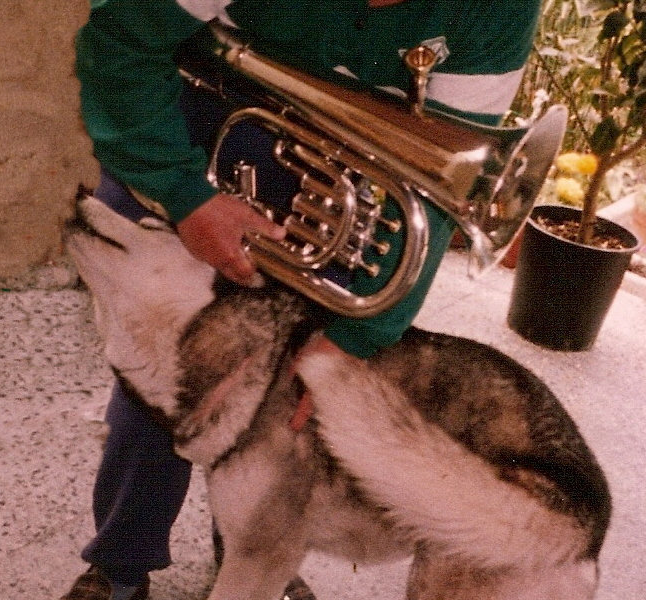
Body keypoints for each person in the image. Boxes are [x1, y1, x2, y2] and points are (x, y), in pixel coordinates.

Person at [60, 1, 542, 599]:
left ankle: (255, 549)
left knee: (285, 392)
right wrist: (184, 197)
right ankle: (120, 564)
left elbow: (445, 185)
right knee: (163, 371)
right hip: (183, 114)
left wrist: (357, 336)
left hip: (339, 165)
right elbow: (121, 44)